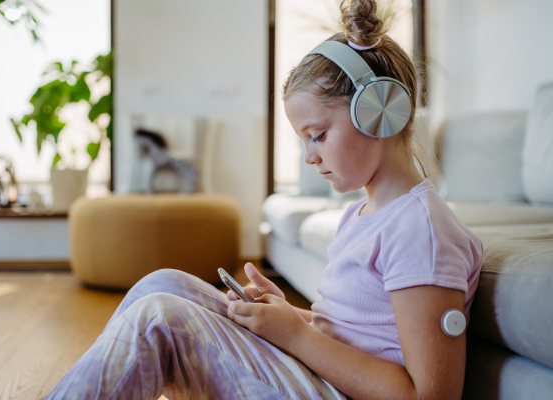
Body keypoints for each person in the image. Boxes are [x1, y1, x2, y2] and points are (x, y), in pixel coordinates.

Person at [46, 1, 482, 399]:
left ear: (379, 111)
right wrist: (288, 318)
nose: (310, 157)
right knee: (163, 284)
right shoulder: (365, 214)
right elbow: (352, 333)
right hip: (318, 375)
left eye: (318, 136)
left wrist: (296, 336)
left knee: (161, 318)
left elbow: (429, 395)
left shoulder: (419, 231)